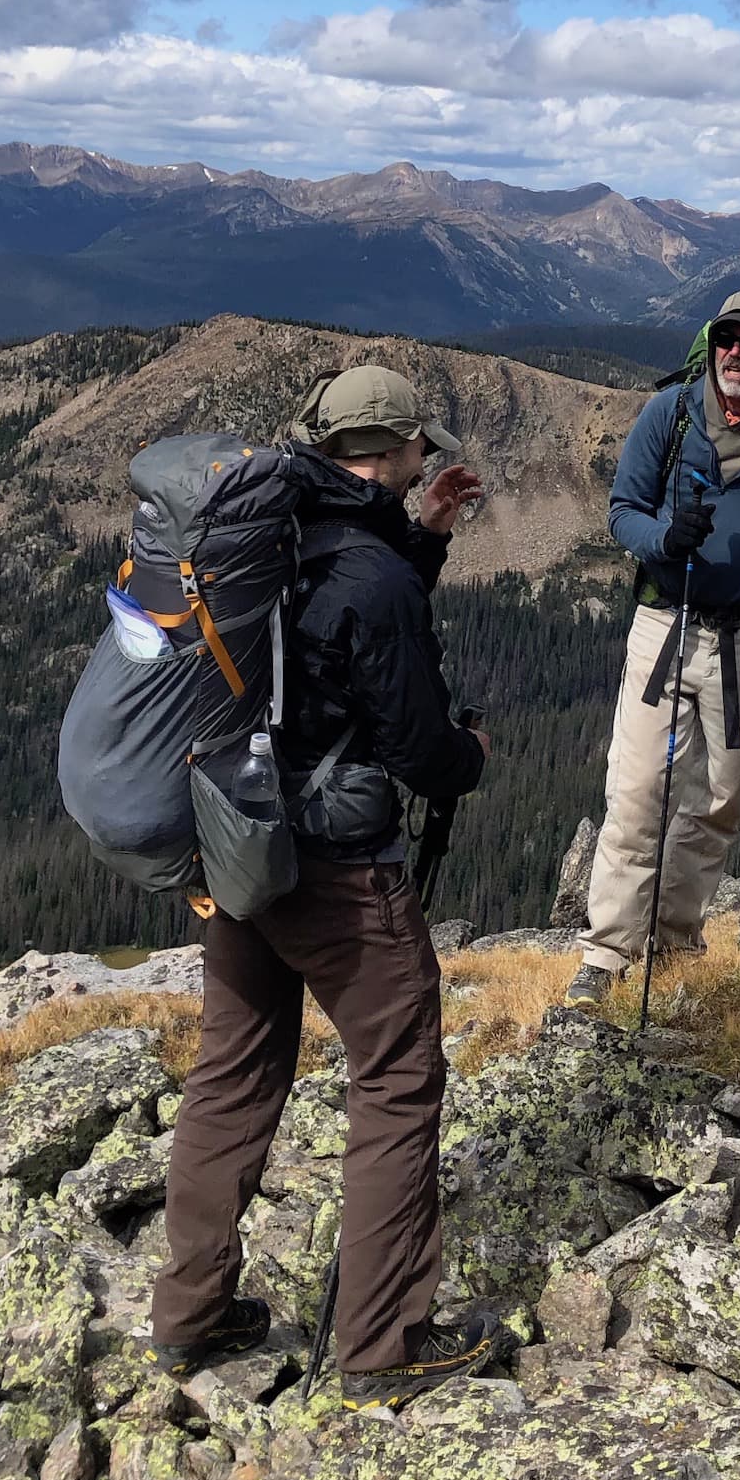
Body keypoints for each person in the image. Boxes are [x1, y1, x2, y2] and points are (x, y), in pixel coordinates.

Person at [151, 362, 511, 1409]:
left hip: (241, 844)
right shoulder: (374, 578)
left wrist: (425, 536)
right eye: (417, 452)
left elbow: (325, 633)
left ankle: (188, 1313)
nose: (424, 463)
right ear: (391, 450)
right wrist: (471, 755)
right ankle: (383, 1340)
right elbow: (413, 743)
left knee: (232, 1069)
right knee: (396, 1074)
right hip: (340, 871)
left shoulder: (267, 532)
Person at [562, 290, 740, 1010]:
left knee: (718, 800)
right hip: (667, 628)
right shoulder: (671, 413)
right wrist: (665, 540)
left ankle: (676, 937)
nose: (734, 354)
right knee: (636, 794)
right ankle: (606, 955)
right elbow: (624, 507)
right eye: (725, 339)